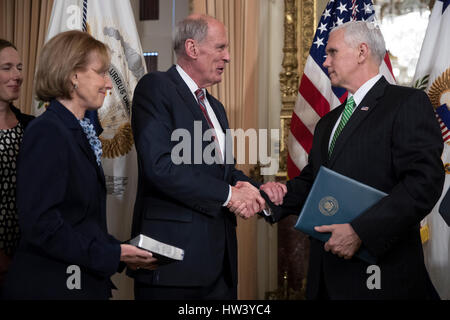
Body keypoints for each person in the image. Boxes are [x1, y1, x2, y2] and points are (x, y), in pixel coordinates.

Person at [240, 21, 444, 299]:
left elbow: (423, 184)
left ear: (362, 52)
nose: (325, 61)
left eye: (332, 52)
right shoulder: (328, 122)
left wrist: (361, 231)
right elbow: (314, 182)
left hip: (382, 274)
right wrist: (275, 196)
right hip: (326, 276)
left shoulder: (406, 103)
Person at [130, 14, 284, 300]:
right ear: (192, 48)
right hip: (174, 265)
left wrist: (254, 191)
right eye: (221, 48)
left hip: (220, 268)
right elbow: (160, 167)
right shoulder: (156, 87)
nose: (227, 57)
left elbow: (223, 173)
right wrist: (229, 195)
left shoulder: (215, 106)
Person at [2, 30, 157, 300]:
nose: (108, 84)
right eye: (100, 73)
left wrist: (121, 252)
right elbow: (42, 226)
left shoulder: (77, 130)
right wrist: (112, 253)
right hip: (51, 287)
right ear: (73, 75)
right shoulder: (47, 132)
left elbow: (79, 222)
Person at [0, 39, 34, 292]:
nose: (17, 75)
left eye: (19, 67)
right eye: (7, 67)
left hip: (26, 258)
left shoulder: (32, 126)